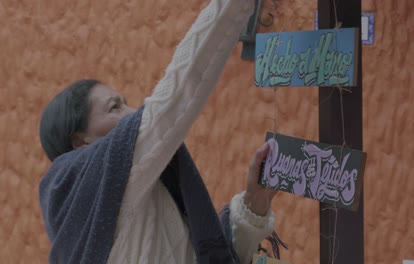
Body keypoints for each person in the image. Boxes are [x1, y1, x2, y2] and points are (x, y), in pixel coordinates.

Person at [38, 0, 281, 263]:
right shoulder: (95, 189)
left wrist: (252, 206)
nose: (133, 113)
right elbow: (180, 91)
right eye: (114, 107)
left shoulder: (146, 190)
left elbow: (204, 255)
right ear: (80, 142)